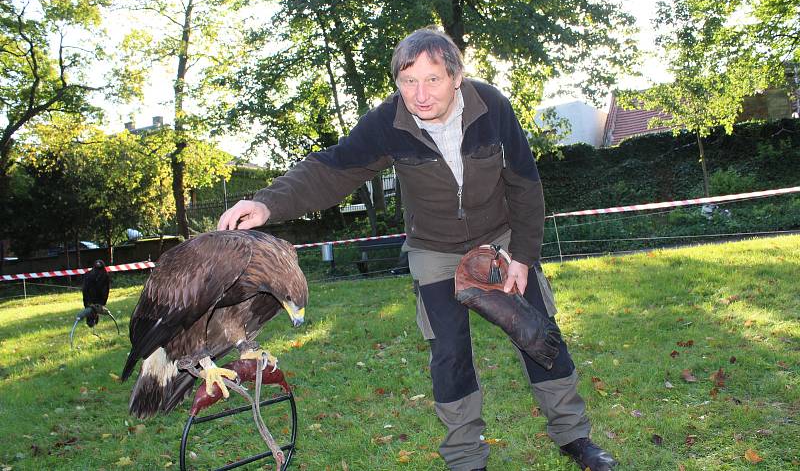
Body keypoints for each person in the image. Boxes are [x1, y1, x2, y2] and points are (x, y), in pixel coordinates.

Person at [218, 27, 617, 471]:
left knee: (539, 336)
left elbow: (525, 183)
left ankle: (574, 438)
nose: (420, 94)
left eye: (432, 79)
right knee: (449, 353)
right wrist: (265, 203)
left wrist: (522, 255)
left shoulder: (492, 108)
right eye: (408, 81)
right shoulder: (387, 124)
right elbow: (329, 170)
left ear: (456, 76)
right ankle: (466, 459)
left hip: (501, 240)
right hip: (434, 249)